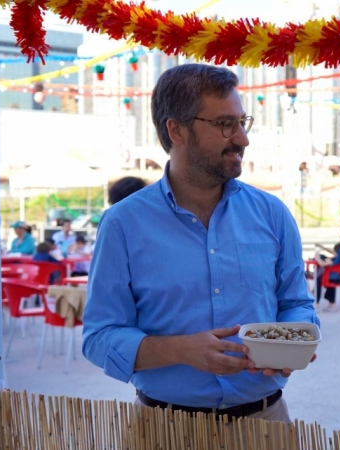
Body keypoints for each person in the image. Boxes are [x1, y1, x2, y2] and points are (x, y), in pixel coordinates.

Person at [82, 64, 319, 423]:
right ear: (176, 130)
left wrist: (293, 340)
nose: (242, 138)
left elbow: (296, 303)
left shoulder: (272, 213)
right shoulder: (123, 224)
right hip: (163, 429)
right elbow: (99, 338)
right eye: (225, 124)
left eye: (242, 122)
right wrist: (182, 350)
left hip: (266, 422)